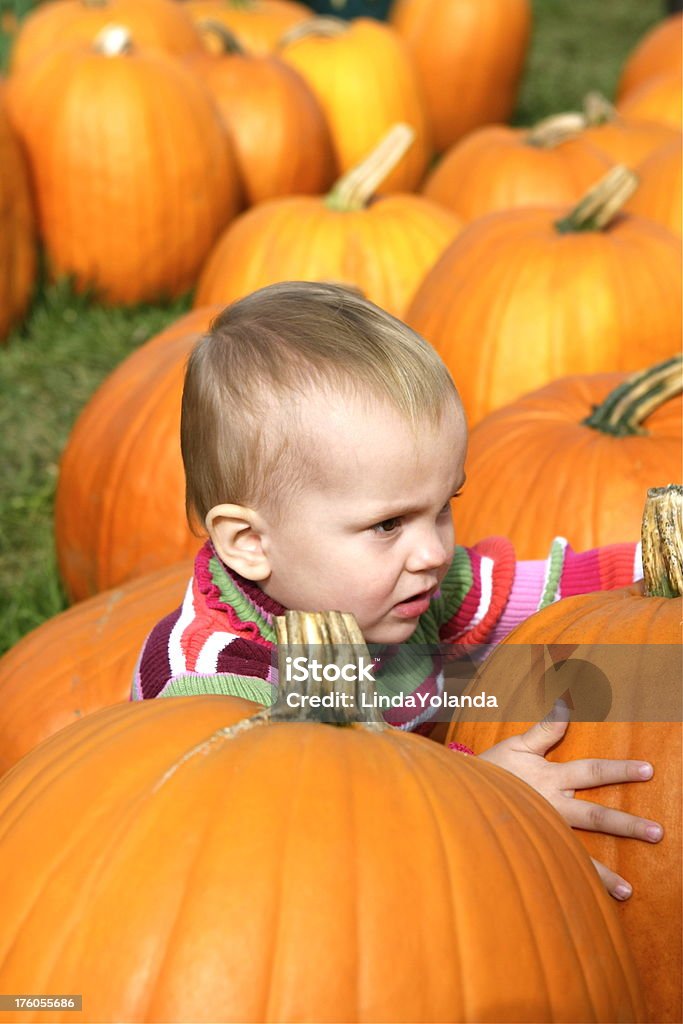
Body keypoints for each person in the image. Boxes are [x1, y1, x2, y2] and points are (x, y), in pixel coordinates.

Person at [133, 280, 662, 900]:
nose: (434, 552)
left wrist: (651, 569)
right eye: (389, 524)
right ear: (250, 542)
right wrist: (491, 795)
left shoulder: (409, 586)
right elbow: (297, 834)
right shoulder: (214, 681)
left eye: (443, 507)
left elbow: (549, 587)